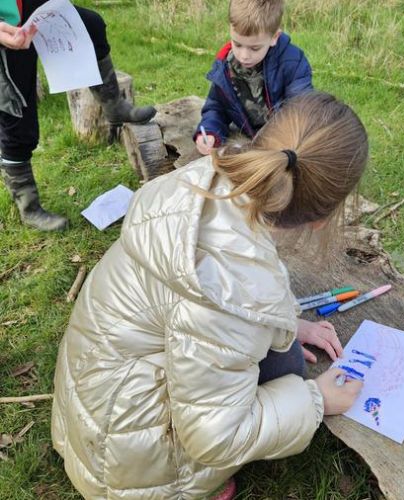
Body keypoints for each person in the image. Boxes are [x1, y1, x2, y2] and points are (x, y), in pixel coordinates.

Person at [51, 91, 368, 499]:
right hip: (121, 465)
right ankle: (180, 485)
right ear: (324, 219)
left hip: (95, 407)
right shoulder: (229, 290)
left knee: (279, 351)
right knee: (287, 372)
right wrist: (316, 400)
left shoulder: (205, 181)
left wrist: (291, 319)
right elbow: (216, 438)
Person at [0, 1, 156, 232]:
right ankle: (29, 208)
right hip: (6, 32)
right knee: (18, 121)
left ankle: (113, 105)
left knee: (90, 25)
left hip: (30, 10)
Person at [194, 0, 313, 155]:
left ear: (274, 37)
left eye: (254, 48)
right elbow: (216, 107)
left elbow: (302, 109)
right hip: (249, 140)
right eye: (237, 44)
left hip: (285, 143)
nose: (244, 56)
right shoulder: (225, 67)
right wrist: (210, 133)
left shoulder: (293, 63)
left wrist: (278, 144)